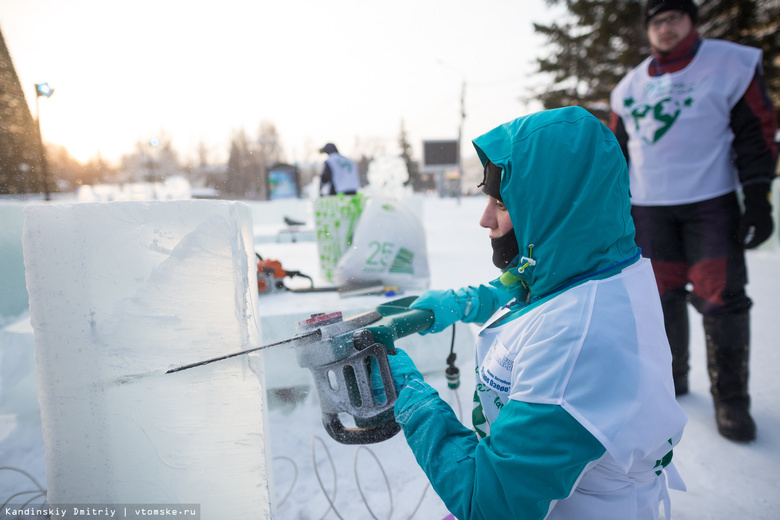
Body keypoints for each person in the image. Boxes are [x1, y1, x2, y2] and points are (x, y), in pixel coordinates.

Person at [389, 106, 687, 520]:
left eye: (503, 204)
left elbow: (491, 506)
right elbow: (544, 285)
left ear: (556, 210)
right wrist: (468, 300)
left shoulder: (577, 346)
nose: (485, 219)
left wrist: (410, 395)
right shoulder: (604, 263)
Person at [609, 0, 778, 442]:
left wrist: (758, 197)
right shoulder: (628, 87)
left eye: (673, 19)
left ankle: (731, 400)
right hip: (649, 210)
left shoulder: (730, 65)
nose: (665, 28)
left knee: (721, 297)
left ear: (691, 21)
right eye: (657, 21)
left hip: (710, 203)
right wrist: (613, 207)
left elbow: (756, 132)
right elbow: (616, 155)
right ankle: (671, 379)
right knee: (658, 296)